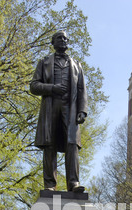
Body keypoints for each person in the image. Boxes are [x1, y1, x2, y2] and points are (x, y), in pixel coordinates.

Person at [30, 31, 88, 192]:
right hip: (50, 107)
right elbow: (34, 86)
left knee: (72, 145)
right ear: (53, 42)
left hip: (71, 109)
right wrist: (52, 88)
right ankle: (50, 185)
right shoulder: (44, 62)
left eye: (65, 38)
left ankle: (73, 183)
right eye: (59, 38)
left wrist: (82, 110)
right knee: (50, 145)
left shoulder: (77, 65)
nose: (63, 40)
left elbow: (82, 89)